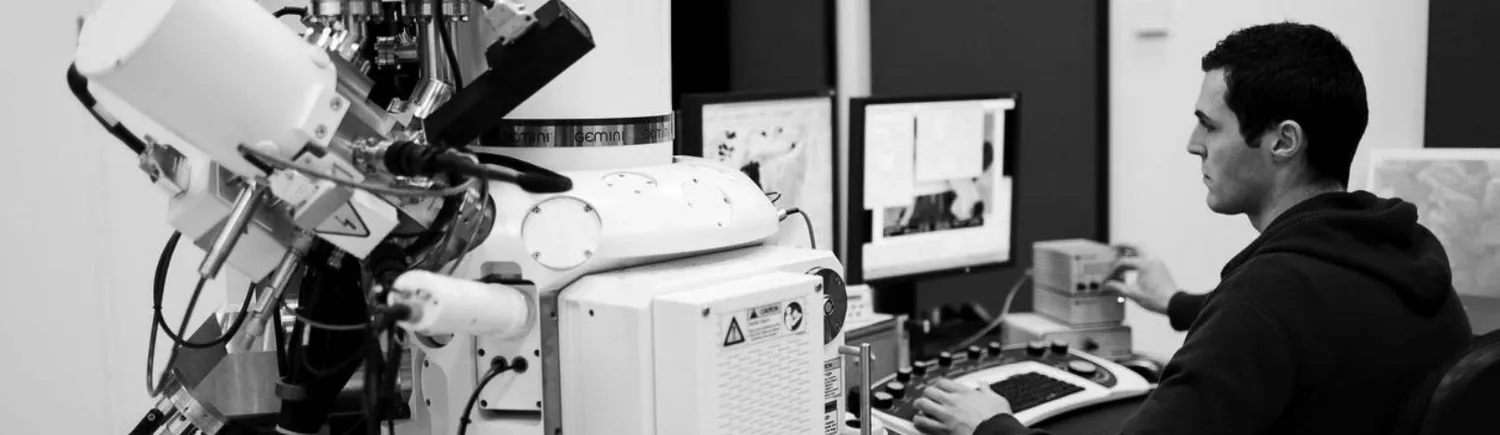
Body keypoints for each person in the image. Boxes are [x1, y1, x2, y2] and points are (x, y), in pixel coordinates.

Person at [910, 22, 1474, 435]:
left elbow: (1270, 318)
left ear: (1283, 141)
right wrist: (1177, 303)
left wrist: (990, 427)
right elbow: (1320, 326)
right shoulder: (1400, 254)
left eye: (1210, 125)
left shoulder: (1267, 298)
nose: (1192, 143)